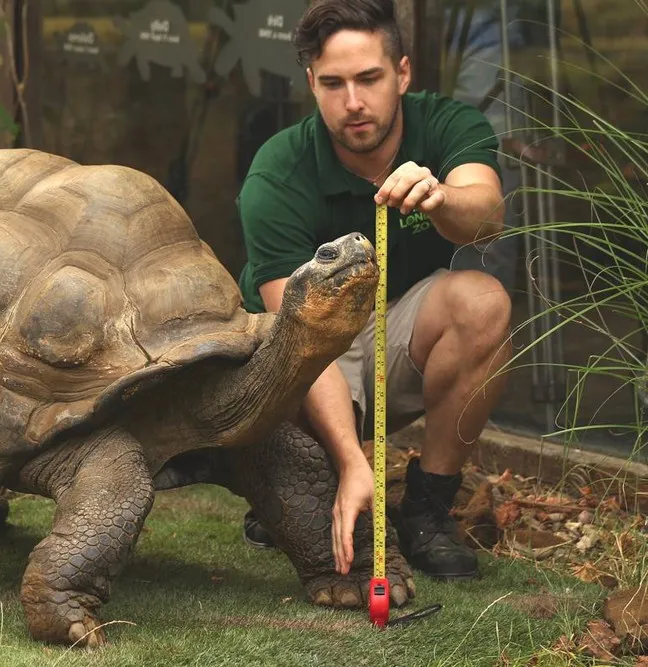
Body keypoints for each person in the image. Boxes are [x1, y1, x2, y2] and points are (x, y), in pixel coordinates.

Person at [235, 0, 511, 582]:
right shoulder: (276, 172)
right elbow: (300, 339)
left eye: (369, 79)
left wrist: (441, 198)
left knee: (484, 301)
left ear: (403, 74)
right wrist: (352, 460)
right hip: (303, 353)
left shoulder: (447, 125)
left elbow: (486, 217)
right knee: (273, 369)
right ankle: (297, 485)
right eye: (333, 84)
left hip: (403, 328)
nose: (353, 102)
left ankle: (428, 508)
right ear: (311, 83)